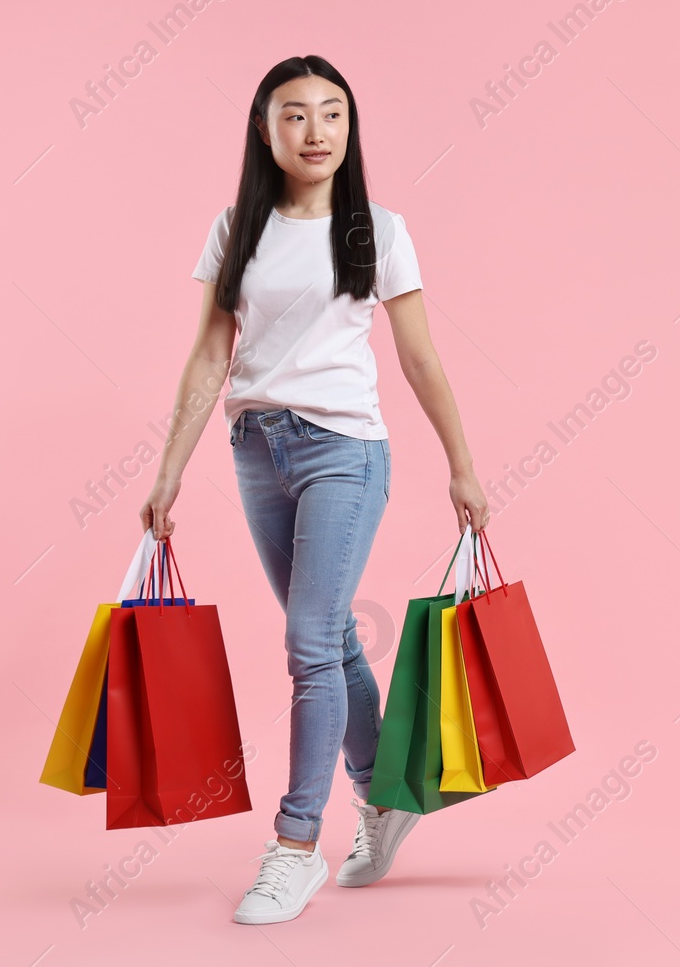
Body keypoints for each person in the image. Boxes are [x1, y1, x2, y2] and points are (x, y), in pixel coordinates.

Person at [140, 55, 489, 925]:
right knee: (328, 637)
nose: (317, 130)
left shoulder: (378, 227)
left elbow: (417, 356)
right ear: (265, 129)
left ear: (350, 127)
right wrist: (170, 464)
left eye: (333, 113)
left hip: (345, 452)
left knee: (306, 641)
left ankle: (295, 845)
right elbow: (210, 356)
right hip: (256, 448)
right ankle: (384, 796)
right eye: (295, 114)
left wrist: (463, 463)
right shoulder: (237, 228)